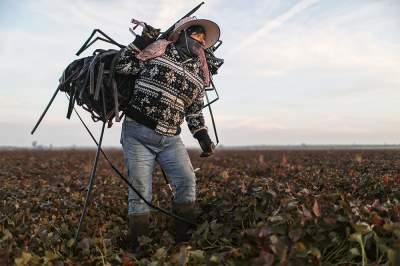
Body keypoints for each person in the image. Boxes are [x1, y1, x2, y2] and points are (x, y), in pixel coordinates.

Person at [115, 16, 221, 250]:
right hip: (137, 133)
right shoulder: (159, 50)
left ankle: (183, 239)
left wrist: (202, 136)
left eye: (204, 38)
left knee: (186, 180)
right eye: (196, 34)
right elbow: (123, 66)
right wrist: (142, 40)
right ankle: (138, 246)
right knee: (141, 190)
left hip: (170, 138)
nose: (200, 40)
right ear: (183, 35)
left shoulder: (199, 73)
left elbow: (193, 109)